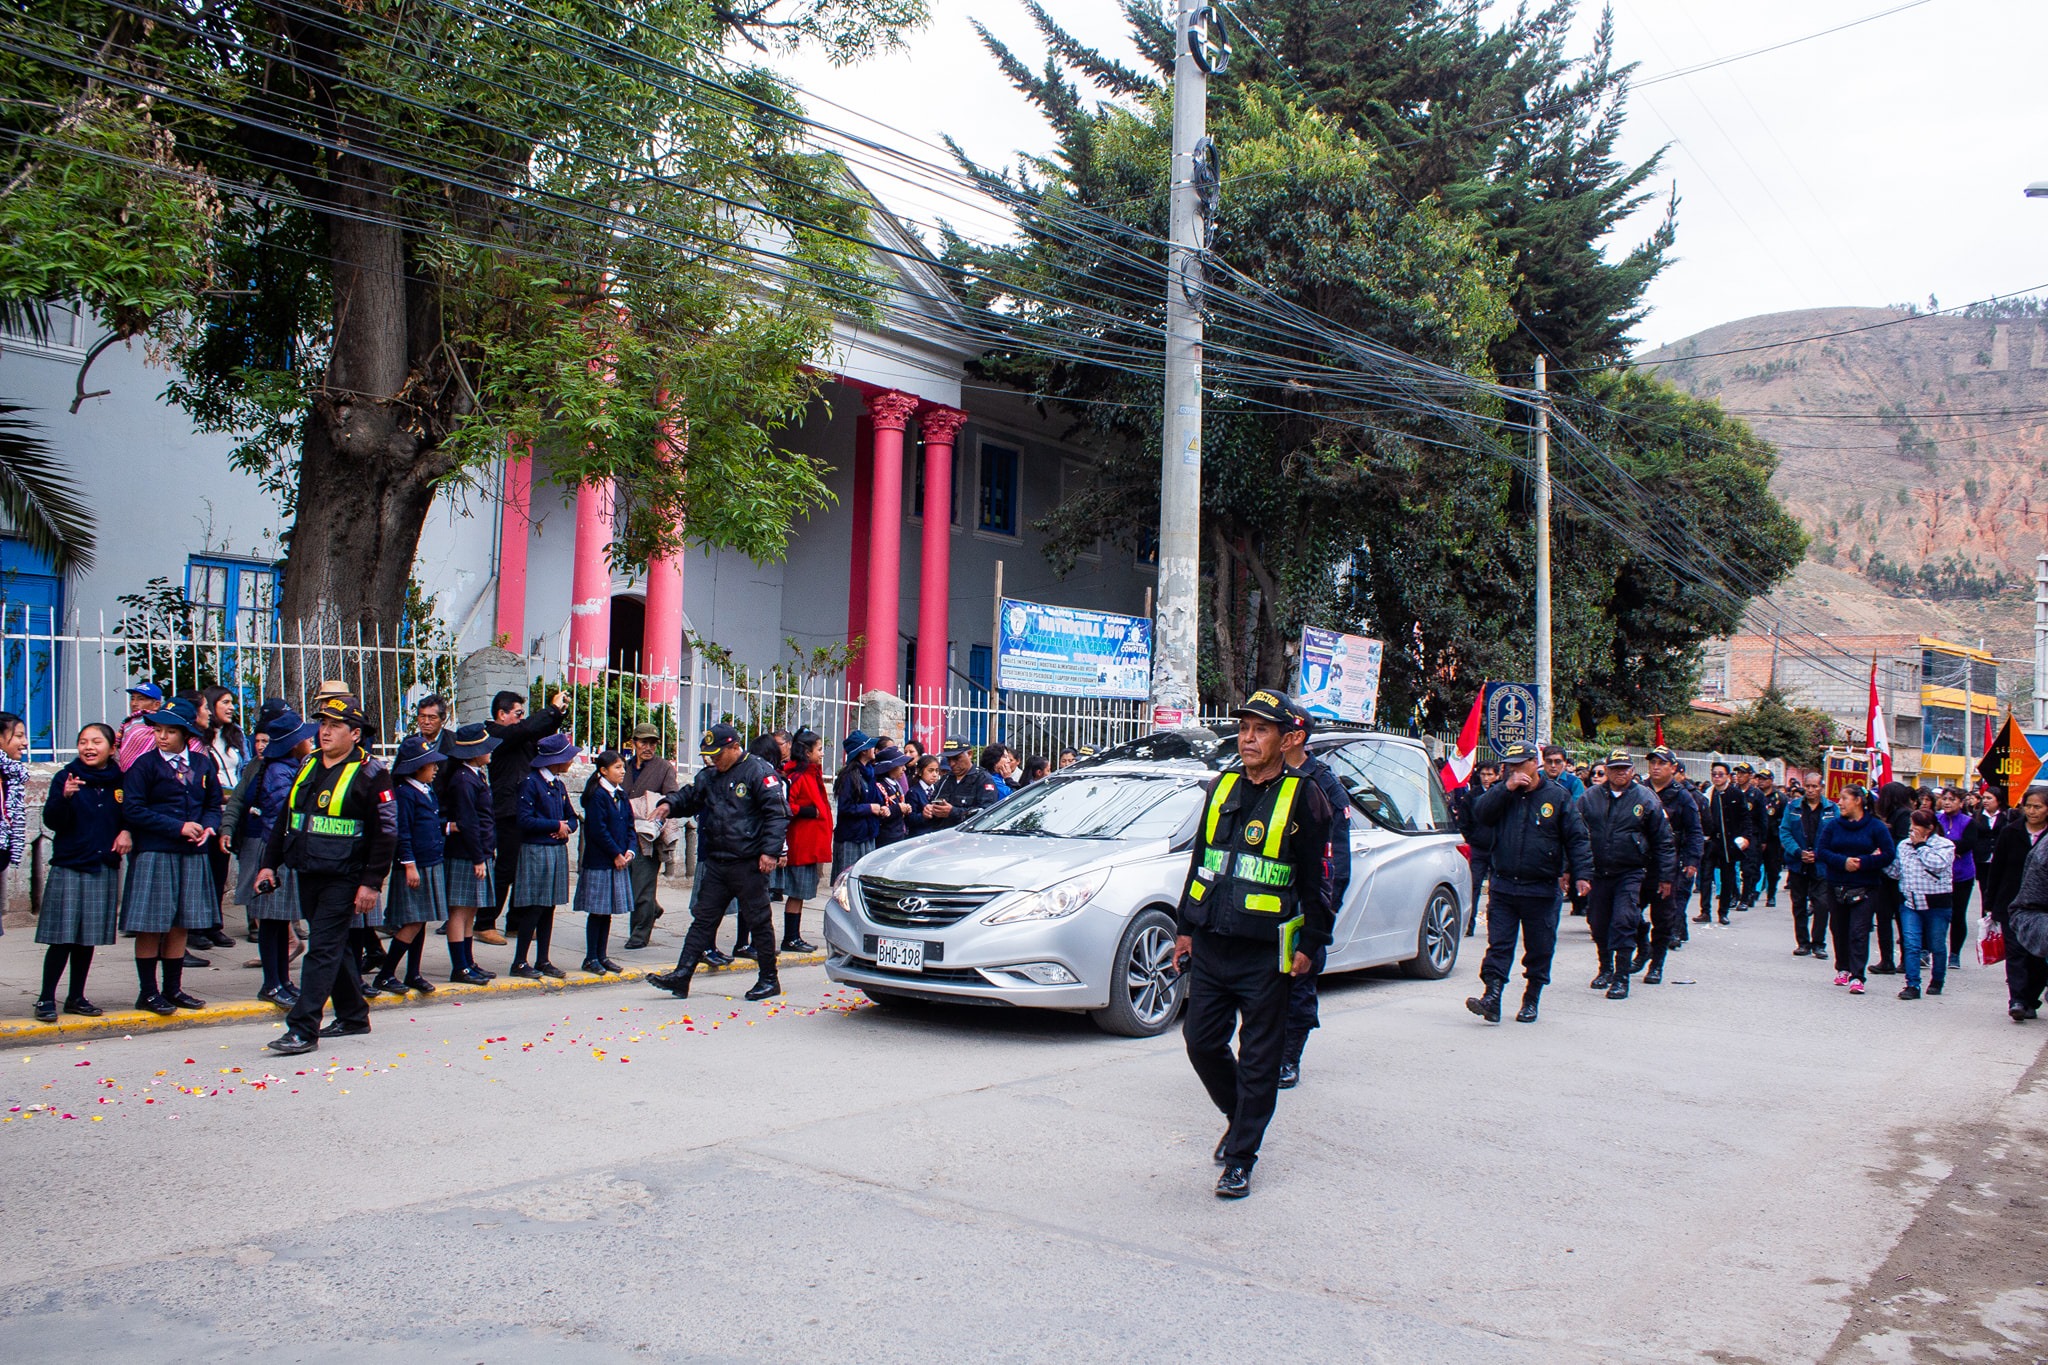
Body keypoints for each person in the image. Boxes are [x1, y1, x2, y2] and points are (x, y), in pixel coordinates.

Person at [1170, 690, 1334, 1200]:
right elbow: (1201, 861)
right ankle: (1239, 1116)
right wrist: (1184, 927)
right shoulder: (1221, 786)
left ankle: (1241, 1157)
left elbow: (1320, 880)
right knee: (1201, 1043)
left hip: (1267, 953)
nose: (1247, 738)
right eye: (1244, 728)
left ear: (1287, 740)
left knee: (1260, 1059)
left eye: (1260, 730)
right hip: (1214, 942)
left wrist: (1313, 942)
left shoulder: (1306, 795)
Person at [254, 696, 398, 1054]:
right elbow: (288, 820)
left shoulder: (371, 772)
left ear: (355, 733)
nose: (325, 731)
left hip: (345, 875)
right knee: (333, 946)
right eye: (323, 724)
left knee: (321, 950)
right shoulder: (309, 763)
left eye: (334, 726)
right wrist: (269, 863)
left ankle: (303, 1029)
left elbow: (387, 833)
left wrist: (371, 882)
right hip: (308, 870)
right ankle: (352, 1015)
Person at [648, 723, 790, 1002]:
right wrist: (669, 804)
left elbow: (778, 814)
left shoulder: (758, 772)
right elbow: (691, 797)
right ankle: (682, 975)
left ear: (735, 747)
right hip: (718, 860)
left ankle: (768, 978)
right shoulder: (711, 776)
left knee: (759, 920)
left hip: (748, 862)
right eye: (709, 755)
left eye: (717, 754)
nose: (713, 760)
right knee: (703, 919)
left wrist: (770, 852)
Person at [1464, 740, 1592, 1025]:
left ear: (1536, 764)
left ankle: (1531, 998)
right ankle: (1492, 997)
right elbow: (1481, 814)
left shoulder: (1557, 797)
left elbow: (1576, 837)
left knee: (1540, 946)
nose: (1516, 771)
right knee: (1498, 945)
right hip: (1504, 884)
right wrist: (1505, 788)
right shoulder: (1503, 792)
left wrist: (1582, 873)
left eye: (1522, 764)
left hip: (1542, 887)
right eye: (1511, 766)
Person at [118, 698, 223, 1014]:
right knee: (152, 923)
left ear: (186, 734)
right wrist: (177, 827)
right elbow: (133, 809)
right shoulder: (145, 765)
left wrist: (208, 827)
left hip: (192, 854)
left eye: (170, 731)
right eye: (158, 730)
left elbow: (212, 805)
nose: (162, 737)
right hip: (156, 852)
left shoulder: (202, 765)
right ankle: (147, 992)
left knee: (181, 921)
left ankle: (173, 989)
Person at [34, 723, 129, 1021]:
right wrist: (64, 798)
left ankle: (76, 996)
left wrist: (126, 831)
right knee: (62, 937)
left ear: (112, 748)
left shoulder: (121, 781)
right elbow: (53, 821)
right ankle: (45, 998)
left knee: (87, 938)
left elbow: (131, 813)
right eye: (83, 742)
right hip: (71, 864)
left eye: (96, 742)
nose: (89, 747)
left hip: (103, 864)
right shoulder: (67, 777)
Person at [1276, 699, 1349, 1086]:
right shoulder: (1259, 776)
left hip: (1305, 904)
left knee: (1298, 983)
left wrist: (1320, 918)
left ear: (1295, 737)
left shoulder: (1323, 783)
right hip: (1265, 901)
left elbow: (1337, 858)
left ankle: (1290, 1058)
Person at [233, 709, 318, 1006]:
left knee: (279, 921)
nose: (310, 741)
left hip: (284, 851)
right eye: (304, 738)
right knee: (271, 922)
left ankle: (283, 980)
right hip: (276, 852)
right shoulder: (281, 771)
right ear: (294, 743)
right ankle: (271, 983)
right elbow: (289, 810)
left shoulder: (287, 766)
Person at [1577, 750, 1674, 1000]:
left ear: (1632, 770)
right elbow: (1575, 836)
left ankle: (1621, 977)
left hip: (1630, 872)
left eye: (1625, 768)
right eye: (1615, 768)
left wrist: (1665, 876)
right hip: (1598, 872)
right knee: (1598, 923)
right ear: (1606, 771)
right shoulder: (1589, 798)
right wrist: (1572, 870)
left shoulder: (1646, 798)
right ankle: (1605, 968)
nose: (1620, 773)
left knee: (1624, 921)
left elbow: (1663, 840)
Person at [482, 688, 569, 946]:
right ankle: (485, 922)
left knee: (522, 870)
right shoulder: (495, 734)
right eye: (518, 713)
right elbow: (527, 730)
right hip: (507, 810)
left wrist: (557, 714)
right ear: (501, 714)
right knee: (506, 868)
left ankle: (516, 923)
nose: (521, 719)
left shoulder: (517, 735)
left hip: (523, 807)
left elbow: (538, 733)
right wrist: (550, 710)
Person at [370, 733, 449, 995]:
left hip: (431, 860)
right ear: (416, 767)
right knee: (412, 921)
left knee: (422, 919)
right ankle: (386, 973)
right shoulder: (404, 794)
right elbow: (402, 832)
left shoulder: (426, 791)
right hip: (415, 865)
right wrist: (409, 863)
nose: (435, 769)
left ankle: (413, 972)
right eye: (431, 764)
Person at [1813, 783, 1895, 996]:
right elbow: (1821, 851)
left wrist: (1864, 862)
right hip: (1836, 884)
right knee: (1839, 928)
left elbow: (1888, 854)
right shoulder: (1833, 826)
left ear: (1858, 800)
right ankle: (1843, 968)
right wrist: (1843, 862)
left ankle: (1857, 976)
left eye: (1844, 798)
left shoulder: (1876, 827)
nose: (1839, 802)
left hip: (1866, 886)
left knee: (1858, 931)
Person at [508, 732, 579, 979]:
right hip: (536, 850)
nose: (571, 762)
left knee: (549, 906)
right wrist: (555, 825)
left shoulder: (557, 785)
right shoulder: (531, 782)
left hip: (555, 851)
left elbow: (572, 816)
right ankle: (519, 961)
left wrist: (566, 827)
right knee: (534, 907)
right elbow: (525, 819)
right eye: (567, 758)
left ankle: (542, 959)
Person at [1983, 786, 2048, 1023]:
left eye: (2038, 807)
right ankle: (2017, 1000)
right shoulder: (2011, 833)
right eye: (2028, 806)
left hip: (2042, 907)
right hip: (2011, 904)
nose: (2032, 811)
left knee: (2038, 957)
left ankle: (2031, 999)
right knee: (2016, 953)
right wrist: (1990, 904)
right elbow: (1997, 869)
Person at [440, 723, 500, 984]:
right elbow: (468, 822)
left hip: (480, 850)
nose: (490, 752)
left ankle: (469, 961)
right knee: (460, 910)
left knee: (471, 909)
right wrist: (478, 858)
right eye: (485, 748)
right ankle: (460, 966)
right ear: (473, 752)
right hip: (466, 853)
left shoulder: (476, 775)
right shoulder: (463, 780)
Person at [1641, 746, 1702, 983]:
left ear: (1673, 768)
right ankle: (1641, 944)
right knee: (1627, 913)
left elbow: (1694, 831)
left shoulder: (1682, 796)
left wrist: (1692, 860)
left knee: (1664, 917)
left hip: (1667, 864)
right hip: (1638, 861)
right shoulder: (1640, 790)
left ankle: (1656, 964)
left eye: (1661, 763)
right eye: (1652, 763)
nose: (1655, 767)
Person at [573, 748, 634, 975]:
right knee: (597, 911)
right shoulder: (597, 796)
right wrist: (615, 854)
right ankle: (591, 957)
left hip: (618, 860)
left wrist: (630, 850)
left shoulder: (621, 794)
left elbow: (629, 826)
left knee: (607, 911)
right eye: (617, 767)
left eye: (623, 767)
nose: (622, 771)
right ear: (603, 770)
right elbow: (598, 830)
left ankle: (602, 955)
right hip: (601, 861)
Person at [621, 723, 680, 950]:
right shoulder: (623, 766)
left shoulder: (664, 768)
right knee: (629, 884)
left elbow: (672, 795)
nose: (648, 747)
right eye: (643, 742)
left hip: (647, 835)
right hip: (624, 833)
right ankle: (652, 909)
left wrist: (661, 806)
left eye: (653, 743)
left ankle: (639, 934)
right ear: (633, 742)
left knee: (642, 887)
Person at [776, 729, 831, 953]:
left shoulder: (811, 774)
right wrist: (809, 812)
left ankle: (793, 936)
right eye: (819, 749)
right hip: (801, 844)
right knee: (796, 892)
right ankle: (791, 937)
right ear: (807, 752)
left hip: (810, 844)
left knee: (800, 893)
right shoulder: (796, 777)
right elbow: (785, 805)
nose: (822, 754)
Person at [1893, 808, 1955, 1001]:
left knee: (1937, 944)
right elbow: (1896, 870)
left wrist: (1920, 846)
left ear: (1929, 828)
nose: (1912, 830)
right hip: (1910, 901)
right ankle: (1912, 984)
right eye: (1911, 825)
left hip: (1937, 903)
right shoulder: (1903, 845)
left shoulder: (1945, 845)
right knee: (1911, 944)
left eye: (1916, 826)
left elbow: (1937, 864)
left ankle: (1937, 979)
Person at [1777, 773, 1839, 959]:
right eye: (1808, 786)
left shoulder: (1831, 809)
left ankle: (1818, 943)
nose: (1811, 790)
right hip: (1798, 863)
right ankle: (1802, 942)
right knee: (1799, 904)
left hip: (1821, 864)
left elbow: (1835, 834)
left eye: (1815, 786)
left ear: (1821, 787)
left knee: (1821, 904)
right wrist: (1798, 852)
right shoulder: (1793, 807)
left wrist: (1819, 853)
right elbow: (1785, 832)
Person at [1934, 787, 1983, 971]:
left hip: (1962, 875)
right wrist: (1951, 847)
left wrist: (1946, 846)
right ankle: (1930, 950)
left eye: (1952, 799)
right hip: (1937, 875)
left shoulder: (1968, 822)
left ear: (1961, 803)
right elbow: (1931, 841)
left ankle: (1954, 954)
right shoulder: (1937, 819)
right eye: (1945, 798)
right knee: (1938, 914)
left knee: (1957, 914)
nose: (1947, 802)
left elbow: (1967, 844)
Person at [1697, 761, 1752, 926]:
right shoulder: (1708, 793)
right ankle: (1705, 911)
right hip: (1711, 841)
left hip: (1728, 843)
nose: (1717, 777)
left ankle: (1723, 912)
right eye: (1714, 774)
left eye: (1721, 774)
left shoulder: (1735, 794)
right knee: (1706, 877)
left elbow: (1745, 818)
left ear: (1728, 776)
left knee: (1727, 878)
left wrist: (1745, 837)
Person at [1871, 781, 1917, 975]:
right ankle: (1886, 959)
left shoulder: (1903, 815)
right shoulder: (1887, 816)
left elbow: (1902, 843)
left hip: (1898, 875)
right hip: (1884, 874)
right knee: (1883, 917)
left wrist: (1885, 833)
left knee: (1901, 918)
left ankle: (1906, 960)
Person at [1453, 759, 1502, 930]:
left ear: (1497, 775)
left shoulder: (1503, 794)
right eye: (1483, 774)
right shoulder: (1471, 796)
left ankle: (1496, 924)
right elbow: (1464, 822)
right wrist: (1472, 839)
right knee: (1473, 885)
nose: (1486, 778)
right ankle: (1469, 923)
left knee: (1497, 889)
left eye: (1490, 774)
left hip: (1498, 849)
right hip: (1478, 848)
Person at [923, 738, 1002, 831]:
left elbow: (987, 813)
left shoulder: (983, 779)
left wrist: (953, 812)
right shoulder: (946, 779)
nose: (952, 764)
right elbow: (933, 801)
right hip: (943, 835)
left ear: (969, 754)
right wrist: (928, 810)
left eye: (956, 758)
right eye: (949, 759)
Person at [833, 731, 884, 873]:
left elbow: (875, 799)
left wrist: (881, 808)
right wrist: (869, 808)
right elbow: (845, 807)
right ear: (863, 751)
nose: (874, 749)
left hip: (867, 834)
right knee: (847, 881)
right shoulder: (849, 776)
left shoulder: (869, 772)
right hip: (852, 837)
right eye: (871, 746)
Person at [1730, 762, 1766, 907]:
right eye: (1737, 773)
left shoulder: (1756, 794)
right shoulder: (1732, 791)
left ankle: (1746, 897)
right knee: (1731, 867)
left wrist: (1762, 839)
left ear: (1750, 776)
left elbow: (1763, 818)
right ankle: (1734, 895)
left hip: (1751, 834)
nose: (1739, 776)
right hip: (1734, 833)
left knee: (1748, 868)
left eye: (1742, 773)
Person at [114, 680, 165, 770]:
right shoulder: (128, 723)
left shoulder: (160, 724)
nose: (134, 703)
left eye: (141, 699)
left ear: (156, 705)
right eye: (132, 698)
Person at [871, 744, 915, 847]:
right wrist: (898, 808)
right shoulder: (879, 786)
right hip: (885, 838)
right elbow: (881, 813)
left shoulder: (895, 785)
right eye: (901, 765)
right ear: (889, 767)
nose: (904, 769)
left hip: (898, 834)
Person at [1755, 770, 1787, 909]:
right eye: (1759, 778)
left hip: (1773, 839)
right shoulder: (1755, 795)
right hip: (1757, 837)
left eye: (1764, 778)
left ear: (1771, 780)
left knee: (1772, 869)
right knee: (1753, 867)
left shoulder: (1780, 798)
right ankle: (1752, 893)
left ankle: (1771, 895)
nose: (1761, 781)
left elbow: (1785, 820)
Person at [904, 754, 942, 835]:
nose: (935, 774)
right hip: (919, 836)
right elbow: (909, 819)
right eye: (930, 770)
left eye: (937, 770)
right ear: (920, 771)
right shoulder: (913, 792)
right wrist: (923, 816)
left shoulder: (939, 789)